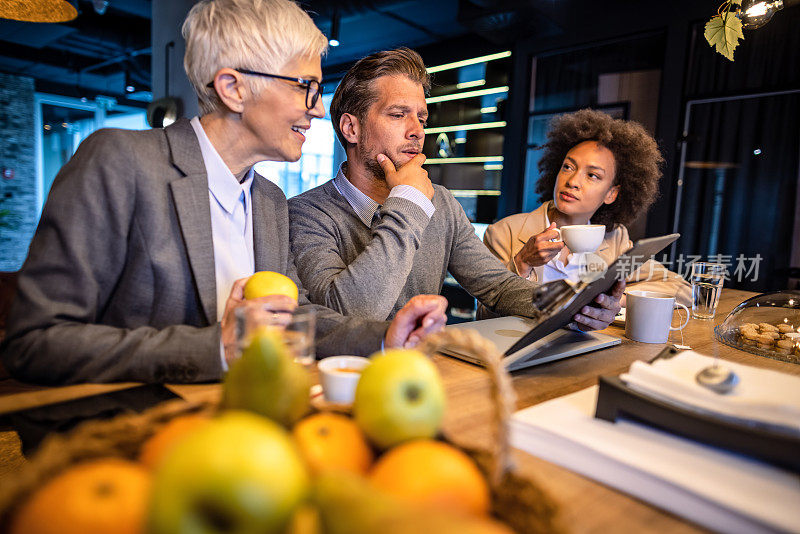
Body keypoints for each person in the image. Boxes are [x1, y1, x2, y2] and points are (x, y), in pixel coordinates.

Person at [0, 0, 446, 385]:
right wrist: (215, 347)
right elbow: (35, 343)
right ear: (233, 88)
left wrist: (384, 339)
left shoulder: (268, 200)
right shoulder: (118, 161)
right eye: (304, 86)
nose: (315, 107)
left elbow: (296, 318)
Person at [287, 48, 623, 329]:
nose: (417, 132)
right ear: (351, 128)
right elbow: (349, 320)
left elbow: (500, 286)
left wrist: (571, 306)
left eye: (421, 118)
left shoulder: (442, 204)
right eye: (398, 114)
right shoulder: (305, 214)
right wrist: (408, 202)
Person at [483, 108, 690, 306]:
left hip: (591, 343)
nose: (572, 181)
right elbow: (486, 315)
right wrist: (522, 263)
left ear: (611, 193)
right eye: (568, 167)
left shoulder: (615, 240)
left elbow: (683, 290)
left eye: (592, 175)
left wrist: (615, 299)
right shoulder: (504, 233)